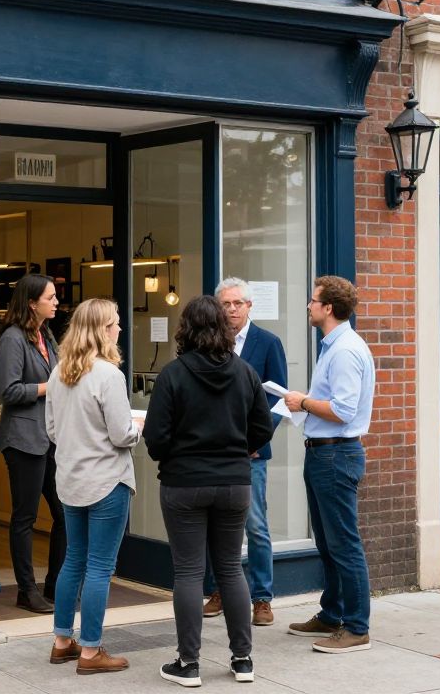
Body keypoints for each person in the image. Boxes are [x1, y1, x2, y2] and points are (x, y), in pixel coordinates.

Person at [144, 295, 273, 688]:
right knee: (232, 567)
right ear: (222, 326)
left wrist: (175, 454)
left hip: (184, 483)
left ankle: (189, 662)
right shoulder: (245, 372)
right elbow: (263, 428)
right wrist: (240, 449)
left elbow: (155, 437)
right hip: (235, 482)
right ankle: (243, 659)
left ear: (186, 328)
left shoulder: (173, 374)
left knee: (188, 571)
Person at [45, 299, 142, 675]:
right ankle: (91, 651)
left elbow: (52, 431)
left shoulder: (59, 374)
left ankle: (61, 641)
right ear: (102, 330)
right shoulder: (108, 375)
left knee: (74, 560)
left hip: (70, 479)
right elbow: (121, 434)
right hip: (107, 480)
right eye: (115, 323)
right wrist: (138, 429)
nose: (119, 329)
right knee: (101, 566)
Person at [283, 275, 375, 653]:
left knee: (344, 544)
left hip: (336, 454)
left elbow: (343, 409)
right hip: (324, 452)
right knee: (328, 542)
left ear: (328, 308)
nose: (308, 305)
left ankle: (356, 628)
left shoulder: (345, 351)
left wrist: (302, 402)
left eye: (313, 300)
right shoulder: (332, 346)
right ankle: (331, 614)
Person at [203, 277, 288, 627]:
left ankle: (262, 598)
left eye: (238, 303)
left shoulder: (268, 343)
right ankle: (222, 590)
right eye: (226, 304)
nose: (232, 309)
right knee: (218, 526)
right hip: (215, 453)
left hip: (250, 454)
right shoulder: (210, 343)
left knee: (256, 526)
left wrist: (256, 440)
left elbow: (280, 397)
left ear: (250, 306)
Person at [0, 273, 66, 614]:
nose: (55, 302)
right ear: (32, 302)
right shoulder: (12, 339)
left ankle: (55, 584)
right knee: (24, 517)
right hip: (23, 439)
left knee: (64, 512)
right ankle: (26, 590)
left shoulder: (45, 335)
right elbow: (8, 391)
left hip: (50, 437)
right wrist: (47, 388)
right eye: (50, 298)